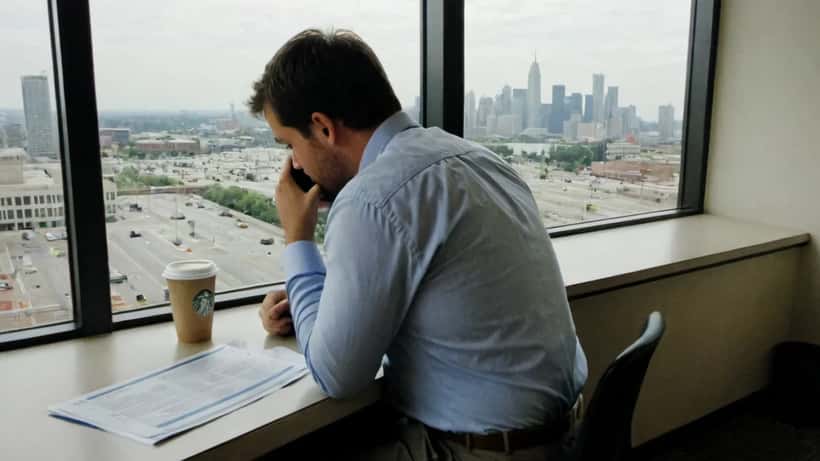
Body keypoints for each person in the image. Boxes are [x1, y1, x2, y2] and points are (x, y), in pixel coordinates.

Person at [249, 28, 587, 460]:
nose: (294, 164)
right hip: (567, 436)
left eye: (291, 145)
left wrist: (297, 240)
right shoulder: (480, 160)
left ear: (323, 127)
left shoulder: (372, 197)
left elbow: (337, 375)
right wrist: (316, 301)